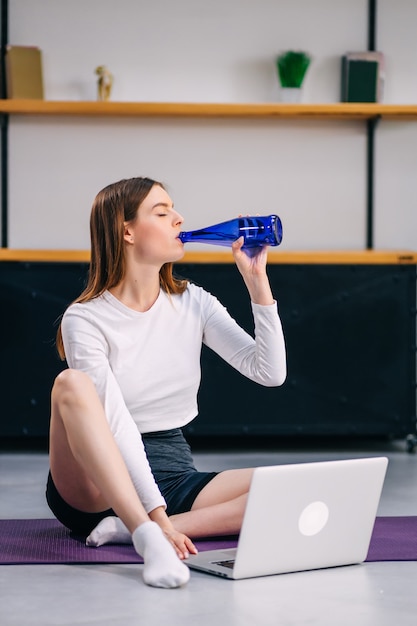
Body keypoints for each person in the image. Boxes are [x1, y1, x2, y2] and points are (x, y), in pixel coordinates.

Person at [46, 176, 287, 588]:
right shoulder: (85, 318)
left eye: (174, 209)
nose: (179, 219)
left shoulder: (194, 301)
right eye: (162, 212)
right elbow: (117, 423)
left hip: (170, 467)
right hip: (95, 479)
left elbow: (269, 372)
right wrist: (152, 517)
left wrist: (256, 282)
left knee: (283, 490)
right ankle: (146, 533)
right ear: (126, 231)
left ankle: (141, 528)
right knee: (72, 384)